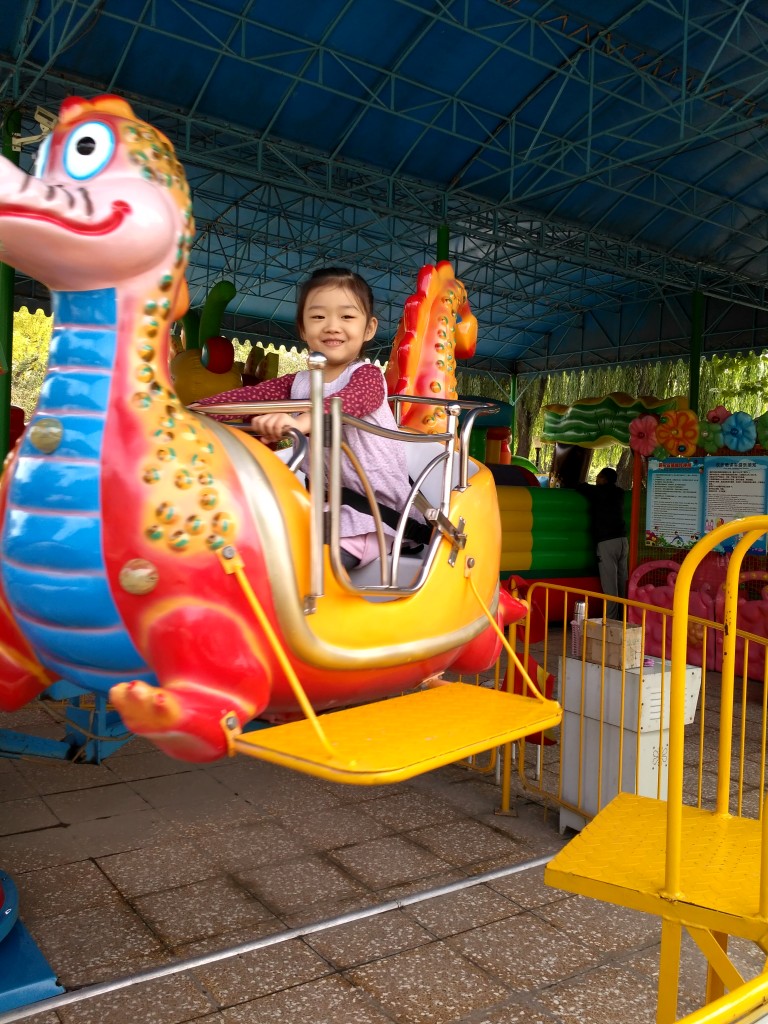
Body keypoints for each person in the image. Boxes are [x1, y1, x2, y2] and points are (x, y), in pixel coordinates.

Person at [196, 267, 412, 570]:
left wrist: (299, 422)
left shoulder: (367, 376)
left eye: (347, 317)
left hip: (372, 517)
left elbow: (347, 402)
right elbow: (246, 398)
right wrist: (191, 412)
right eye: (319, 317)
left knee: (298, 567)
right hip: (322, 510)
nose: (332, 326)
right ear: (302, 328)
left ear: (369, 328)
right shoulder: (297, 383)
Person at [577, 467, 628, 619]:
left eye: (599, 477)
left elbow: (581, 487)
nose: (597, 480)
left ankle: (612, 620)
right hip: (623, 541)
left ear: (604, 479)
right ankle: (625, 616)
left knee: (610, 585)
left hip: (607, 542)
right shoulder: (619, 493)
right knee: (621, 581)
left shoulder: (598, 492)